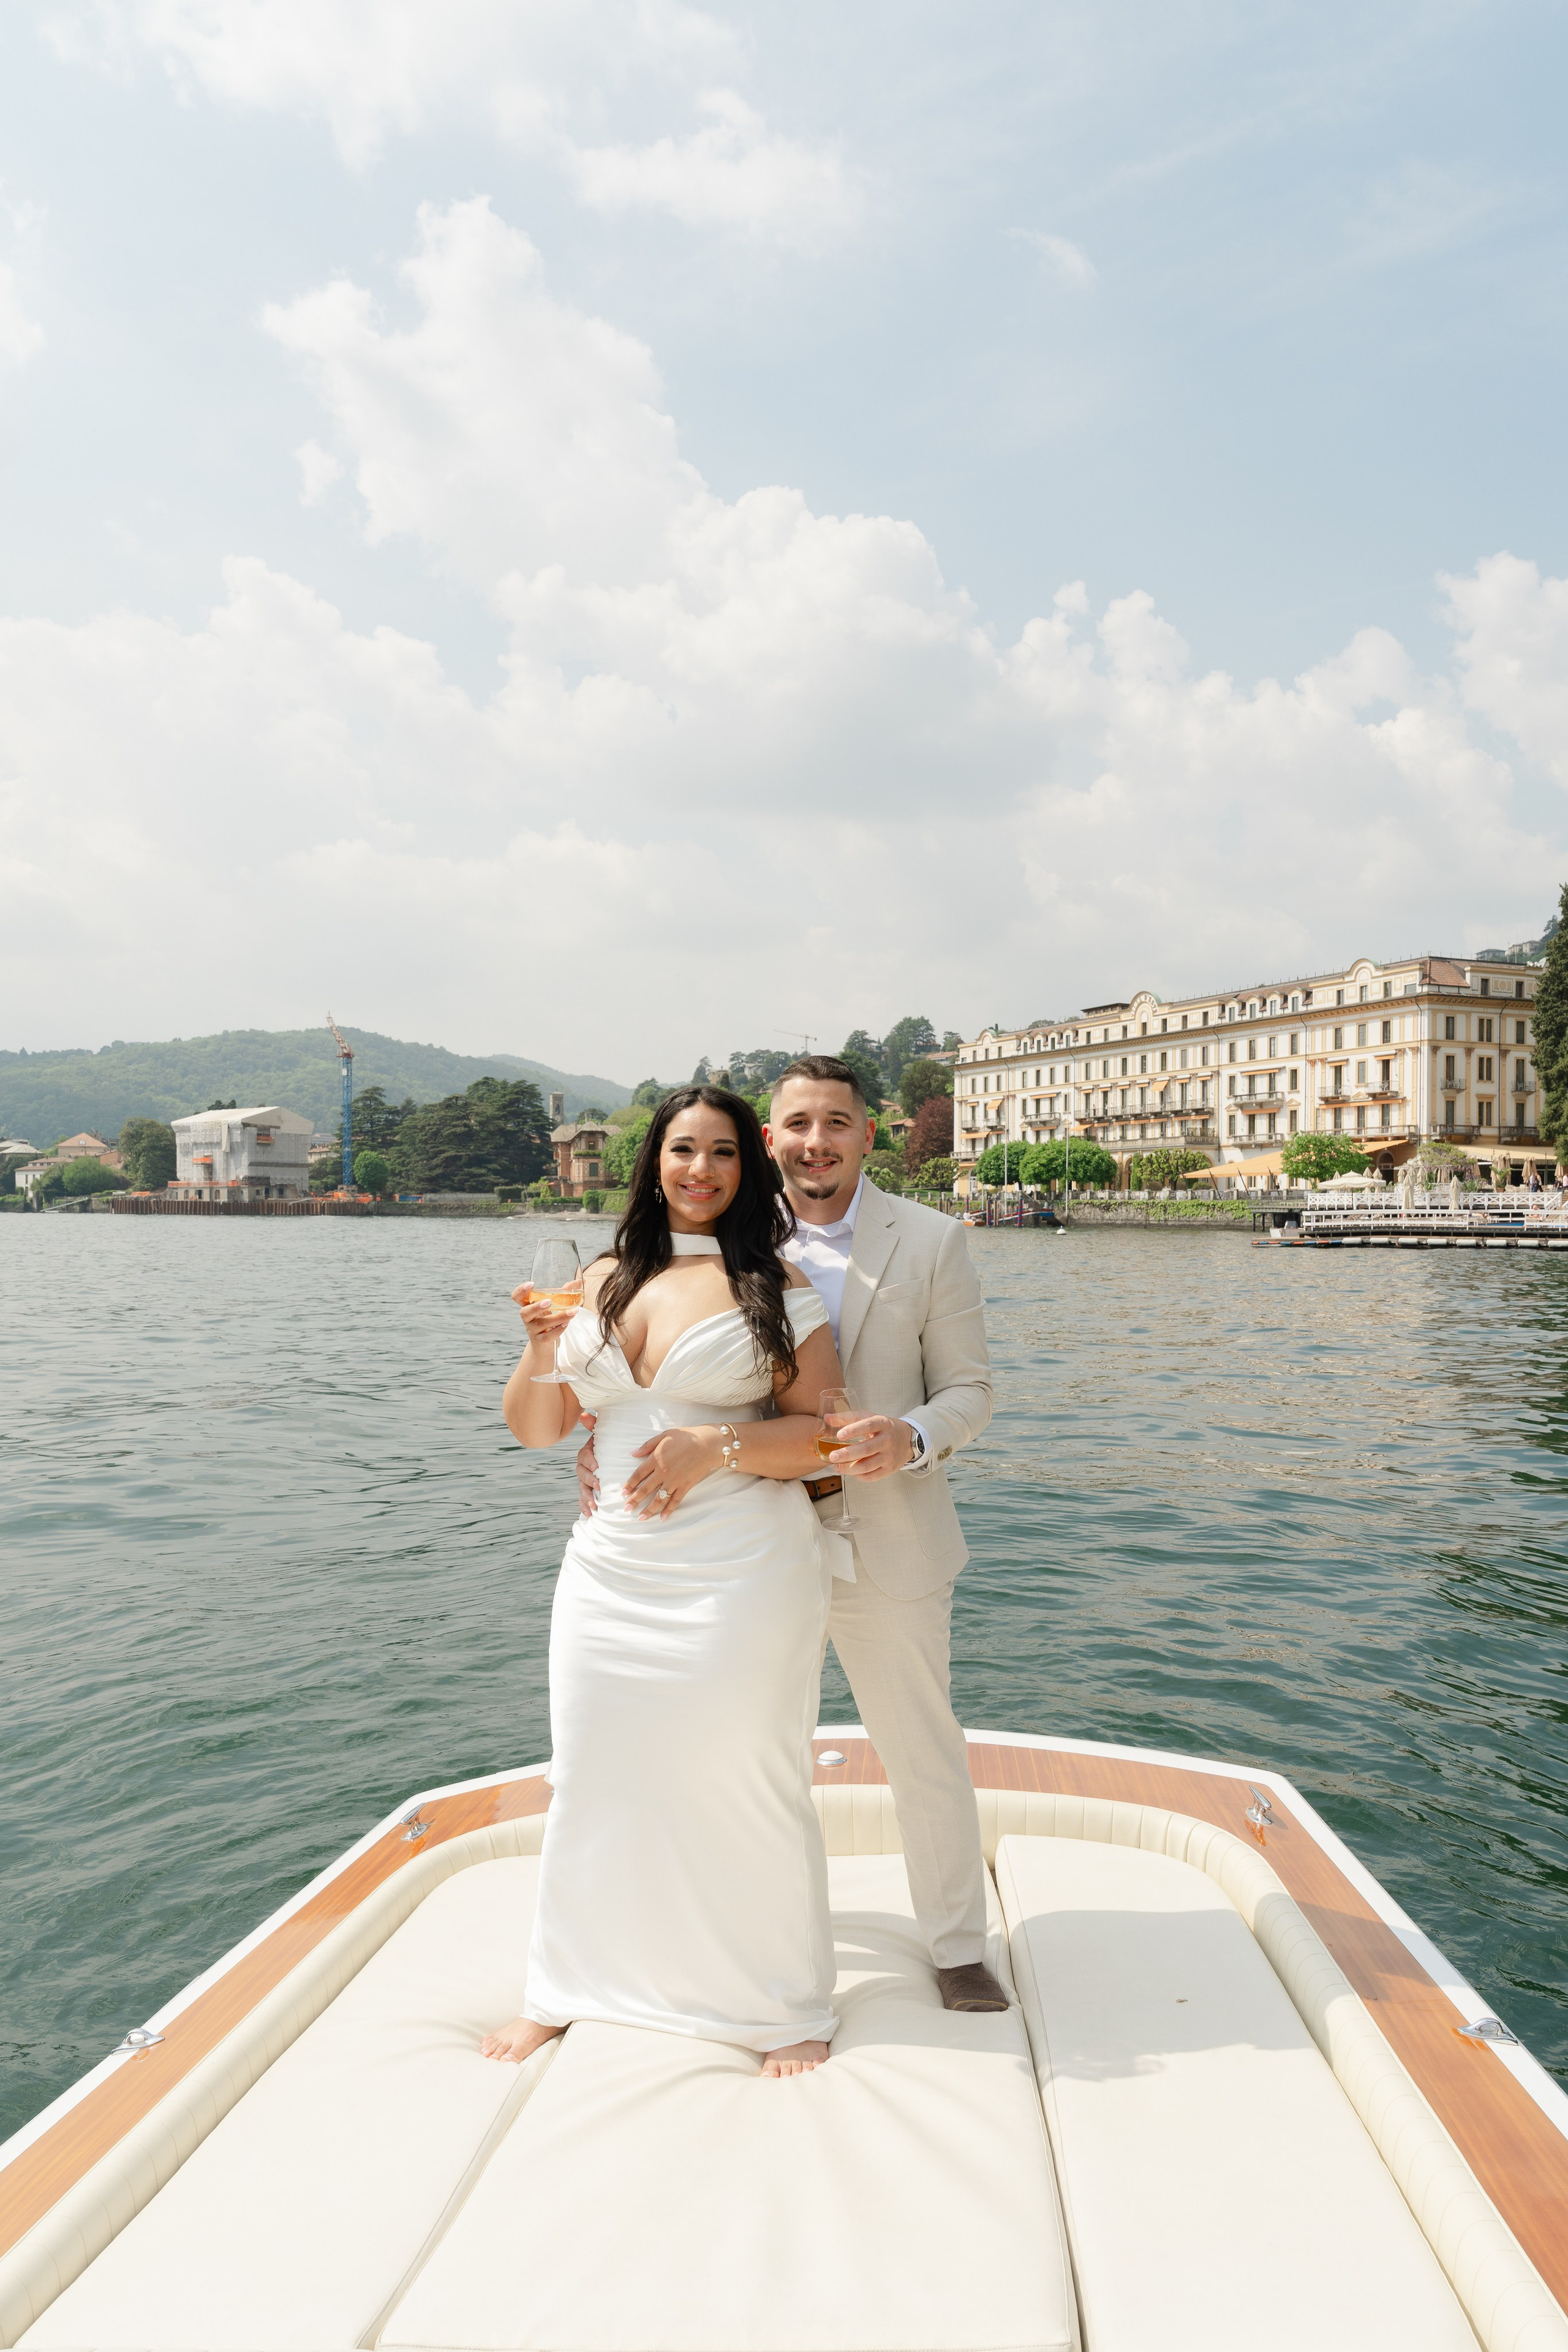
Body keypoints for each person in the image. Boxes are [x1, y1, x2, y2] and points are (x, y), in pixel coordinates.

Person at [579, 1055, 1003, 2013]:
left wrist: (913, 1435)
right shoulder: (719, 1234)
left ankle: (957, 1944)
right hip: (749, 1536)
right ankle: (736, 1940)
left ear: (868, 1133)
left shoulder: (933, 1241)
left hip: (890, 1532)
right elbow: (653, 1366)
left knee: (921, 1748)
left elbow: (973, 1388)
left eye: (838, 1124)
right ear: (769, 1140)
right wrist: (604, 1439)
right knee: (746, 1749)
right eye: (798, 1125)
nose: (818, 1142)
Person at [483, 1085, 850, 2079]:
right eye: (683, 1149)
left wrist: (716, 1444)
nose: (701, 1169)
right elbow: (540, 1429)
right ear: (653, 1162)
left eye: (723, 1152)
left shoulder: (774, 1284)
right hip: (609, 1569)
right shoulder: (599, 1278)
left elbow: (825, 1435)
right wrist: (539, 1348)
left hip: (740, 1570)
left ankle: (780, 2006)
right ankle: (566, 1988)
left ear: (750, 1168)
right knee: (595, 1774)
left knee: (746, 1774)